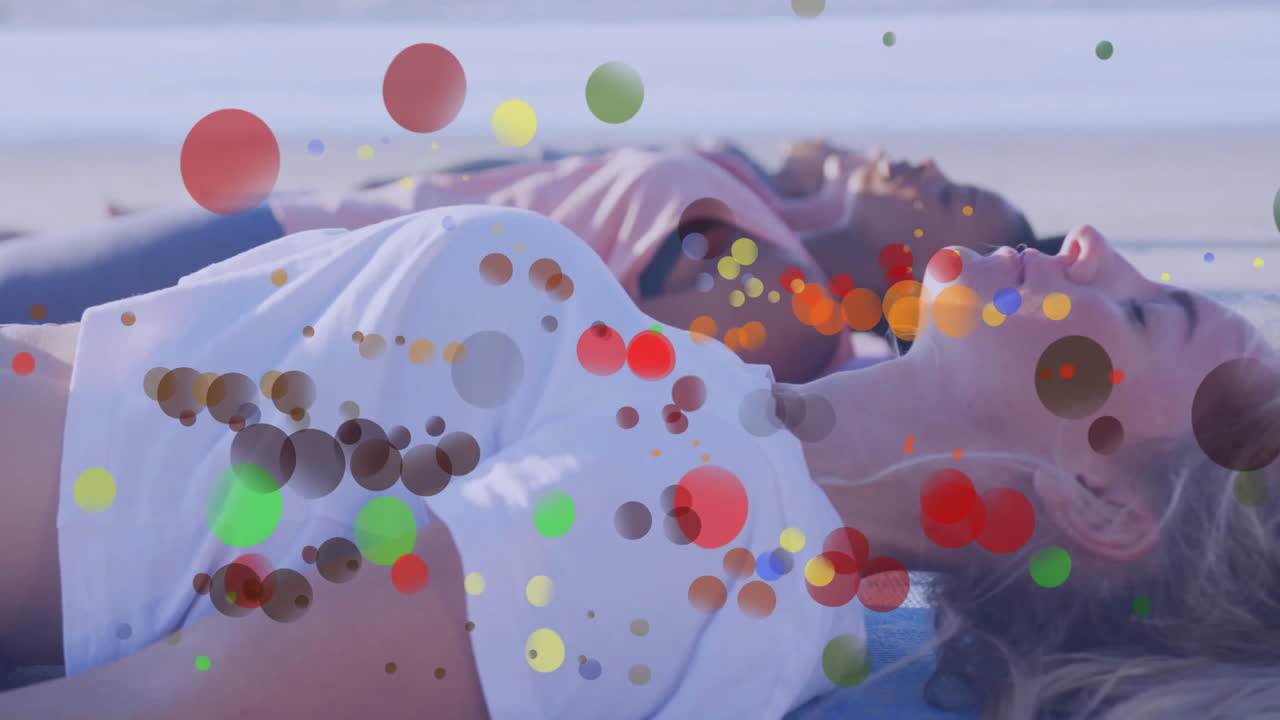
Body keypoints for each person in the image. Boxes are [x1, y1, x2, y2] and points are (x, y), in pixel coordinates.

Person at [0, 206, 1275, 719]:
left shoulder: (705, 541)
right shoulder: (726, 447)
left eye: (1142, 314)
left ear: (1096, 498)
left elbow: (163, 708)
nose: (1095, 243)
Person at [0, 140, 1049, 382]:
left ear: (933, 272)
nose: (925, 170)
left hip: (287, 278)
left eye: (956, 203)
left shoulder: (782, 300)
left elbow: (589, 368)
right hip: (294, 237)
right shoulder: (766, 206)